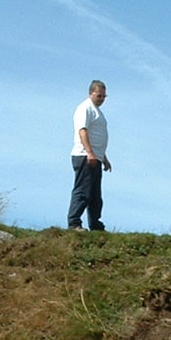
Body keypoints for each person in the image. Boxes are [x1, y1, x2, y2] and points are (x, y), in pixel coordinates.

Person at [67, 80, 111, 230]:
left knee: (95, 195)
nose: (102, 99)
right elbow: (82, 131)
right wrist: (90, 153)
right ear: (91, 93)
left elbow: (97, 136)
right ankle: (74, 222)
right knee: (83, 191)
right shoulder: (85, 108)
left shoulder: (97, 111)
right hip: (84, 156)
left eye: (104, 96)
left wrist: (103, 158)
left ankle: (95, 224)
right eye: (99, 96)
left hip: (96, 157)